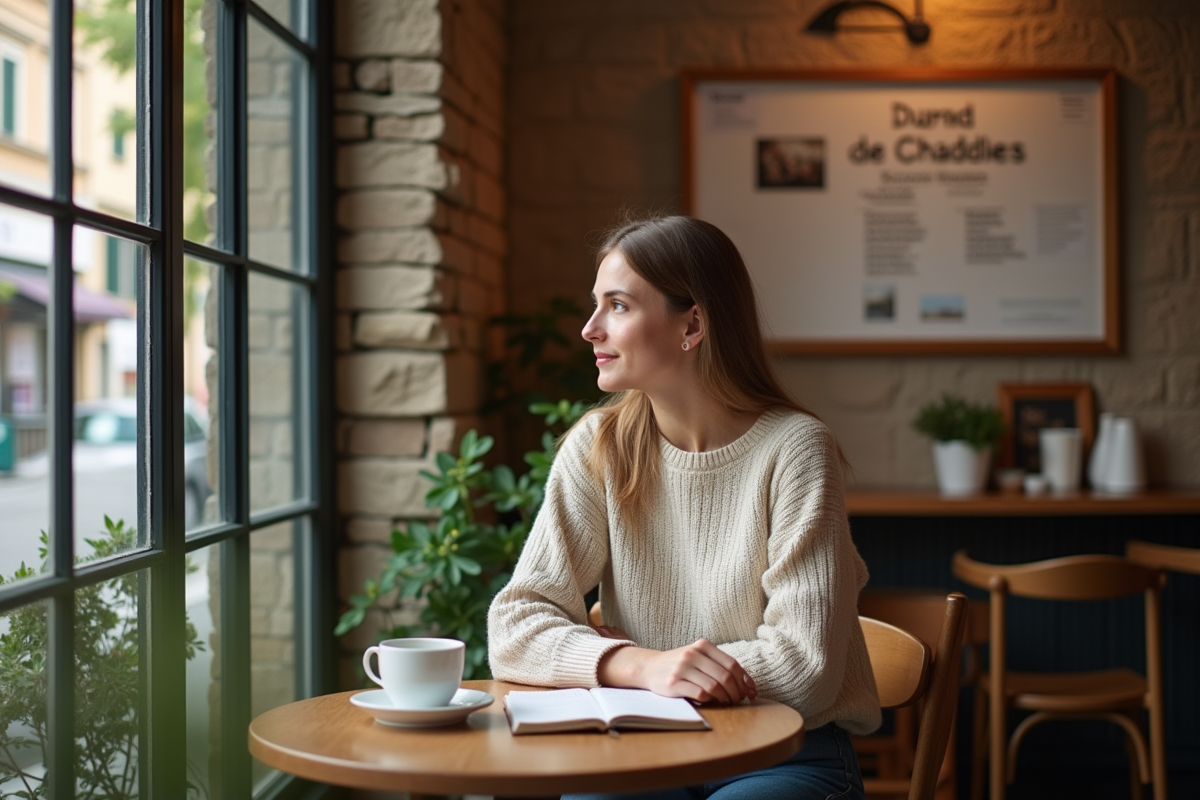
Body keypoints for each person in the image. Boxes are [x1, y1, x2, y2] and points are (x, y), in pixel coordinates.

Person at [487, 214, 880, 800]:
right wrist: (641, 667)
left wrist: (632, 663)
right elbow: (514, 627)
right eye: (596, 305)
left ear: (692, 323)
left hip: (783, 753)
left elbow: (805, 668)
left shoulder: (796, 449)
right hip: (640, 746)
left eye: (617, 305)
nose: (590, 329)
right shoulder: (599, 448)